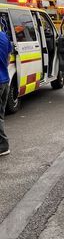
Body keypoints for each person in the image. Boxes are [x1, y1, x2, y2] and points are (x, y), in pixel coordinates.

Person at [0, 23, 12, 157]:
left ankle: (3, 145)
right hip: (4, 81)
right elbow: (8, 58)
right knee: (0, 115)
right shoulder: (4, 36)